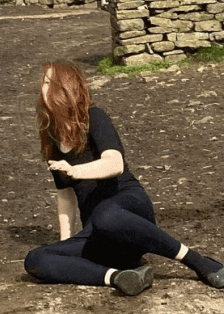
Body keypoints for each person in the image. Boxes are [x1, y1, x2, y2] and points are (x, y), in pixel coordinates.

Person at [24, 61, 224, 296]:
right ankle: (121, 277)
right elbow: (66, 197)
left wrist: (76, 171)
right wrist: (63, 244)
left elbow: (114, 163)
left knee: (105, 215)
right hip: (99, 233)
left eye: (49, 83)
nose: (43, 89)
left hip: (129, 213)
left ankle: (197, 261)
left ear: (66, 87)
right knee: (36, 259)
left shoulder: (94, 117)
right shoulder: (52, 138)